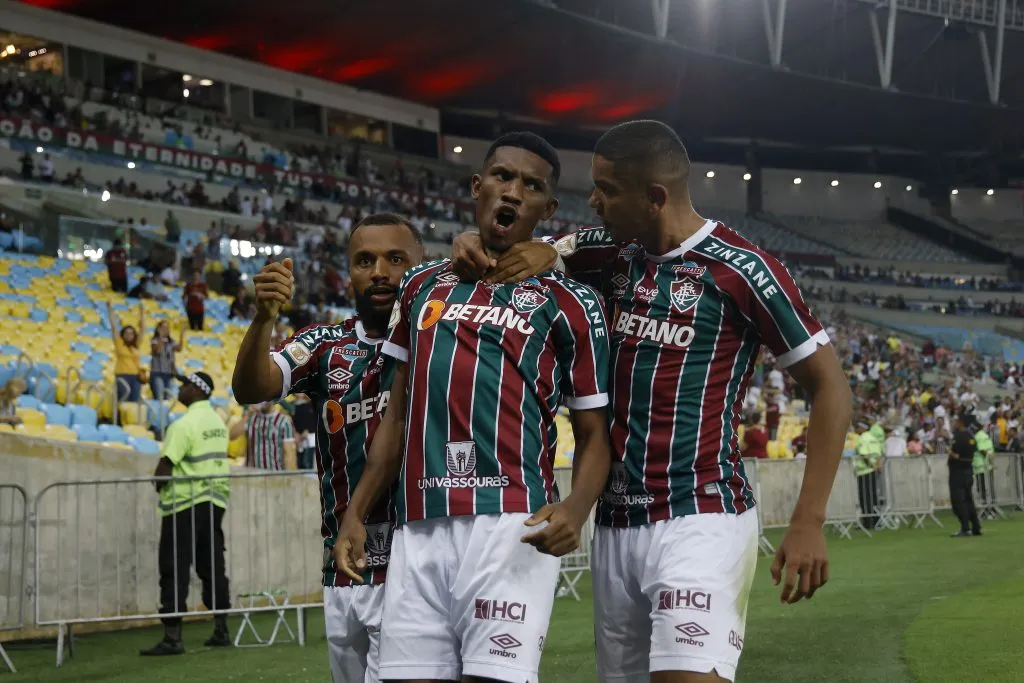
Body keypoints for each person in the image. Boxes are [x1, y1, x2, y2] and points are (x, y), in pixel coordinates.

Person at [452, 120, 852, 683]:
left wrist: (809, 518)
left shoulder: (743, 272)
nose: (592, 201)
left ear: (655, 198)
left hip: (700, 514)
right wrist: (470, 245)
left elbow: (830, 387)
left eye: (607, 190)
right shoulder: (601, 253)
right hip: (614, 526)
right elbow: (512, 254)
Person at [335, 133, 613, 683]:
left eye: (531, 187)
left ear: (547, 209)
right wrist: (357, 510)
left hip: (511, 525)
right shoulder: (421, 285)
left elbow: (594, 433)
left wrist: (577, 508)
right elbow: (397, 413)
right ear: (476, 186)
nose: (513, 193)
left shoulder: (572, 302)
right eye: (503, 177)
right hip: (419, 527)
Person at [231, 213, 424, 682]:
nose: (380, 271)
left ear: (421, 266)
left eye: (395, 259)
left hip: (415, 564)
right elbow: (252, 387)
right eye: (365, 260)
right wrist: (264, 317)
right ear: (349, 273)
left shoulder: (440, 338)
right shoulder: (324, 345)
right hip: (345, 566)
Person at [140, 371, 231, 655]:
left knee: (174, 566)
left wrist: (158, 484)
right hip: (214, 502)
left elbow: (165, 468)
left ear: (197, 390)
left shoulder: (184, 425)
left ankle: (172, 636)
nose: (181, 389)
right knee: (212, 565)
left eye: (186, 385)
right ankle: (221, 629)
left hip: (183, 504)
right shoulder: (218, 423)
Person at [232, 402, 297, 471]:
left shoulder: (283, 421)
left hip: (273, 475)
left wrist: (289, 478)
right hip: (252, 474)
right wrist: (247, 416)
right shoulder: (251, 418)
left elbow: (289, 454)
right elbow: (232, 435)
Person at [949, 415, 982, 537]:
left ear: (961, 423)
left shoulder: (957, 437)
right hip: (968, 471)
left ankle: (965, 527)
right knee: (969, 500)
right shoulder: (972, 437)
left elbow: (956, 455)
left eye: (955, 421)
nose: (954, 423)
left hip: (957, 472)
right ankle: (976, 527)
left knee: (959, 501)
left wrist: (949, 451)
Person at [107, 301, 144, 403]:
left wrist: (141, 311)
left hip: (136, 376)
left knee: (134, 400)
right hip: (122, 375)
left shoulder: (136, 345)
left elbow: (142, 328)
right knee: (123, 398)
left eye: (131, 333)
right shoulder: (119, 343)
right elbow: (113, 325)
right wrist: (110, 309)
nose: (129, 335)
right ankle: (119, 418)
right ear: (123, 335)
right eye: (127, 333)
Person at [853, 421, 883, 529]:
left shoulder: (862, 439)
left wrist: (871, 466)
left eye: (857, 427)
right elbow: (879, 454)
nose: (856, 429)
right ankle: (876, 521)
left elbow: (864, 455)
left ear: (862, 428)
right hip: (874, 471)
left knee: (865, 498)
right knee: (873, 496)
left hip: (864, 471)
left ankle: (867, 523)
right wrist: (878, 466)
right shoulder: (874, 438)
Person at [151, 320, 184, 400]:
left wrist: (181, 336)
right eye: (164, 327)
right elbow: (158, 350)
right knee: (159, 396)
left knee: (167, 398)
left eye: (167, 328)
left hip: (169, 373)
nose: (166, 329)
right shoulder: (154, 340)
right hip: (157, 373)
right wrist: (161, 337)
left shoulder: (171, 342)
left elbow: (179, 349)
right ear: (158, 329)